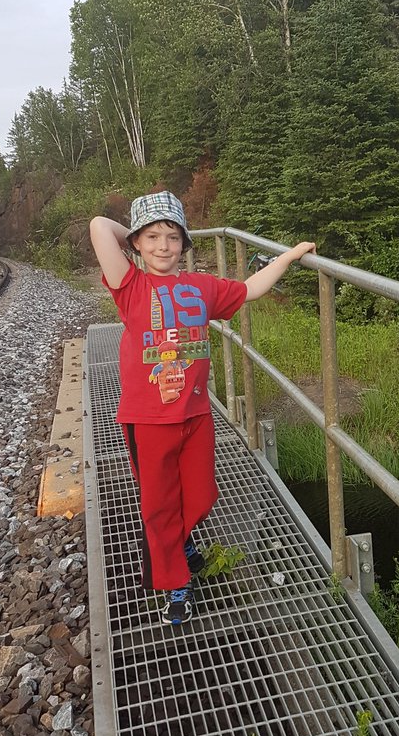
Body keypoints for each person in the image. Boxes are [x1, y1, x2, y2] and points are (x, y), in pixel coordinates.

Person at [89, 190, 315, 625]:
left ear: (184, 244)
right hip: (148, 419)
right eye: (151, 237)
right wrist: (132, 231)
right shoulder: (131, 286)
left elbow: (249, 289)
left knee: (201, 493)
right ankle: (175, 582)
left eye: (172, 237)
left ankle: (181, 538)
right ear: (136, 243)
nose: (163, 246)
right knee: (157, 505)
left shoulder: (201, 288)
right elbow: (100, 227)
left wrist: (288, 257)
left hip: (195, 414)